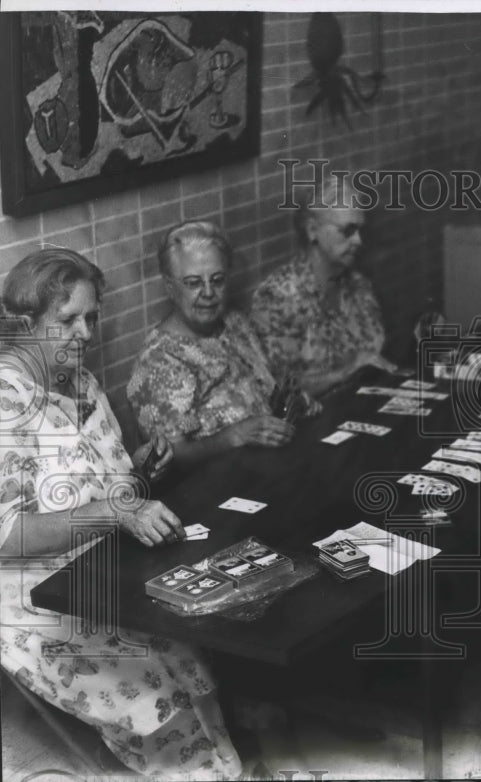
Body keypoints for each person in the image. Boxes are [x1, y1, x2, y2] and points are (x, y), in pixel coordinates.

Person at [0, 249, 242, 778]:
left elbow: (101, 485)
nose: (85, 333)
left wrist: (138, 471)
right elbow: (6, 535)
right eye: (68, 320)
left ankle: (220, 769)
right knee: (156, 692)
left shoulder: (81, 383)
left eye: (92, 317)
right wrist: (112, 510)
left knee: (194, 663)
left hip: (104, 572)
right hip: (35, 597)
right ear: (23, 325)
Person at [128, 221, 312, 468]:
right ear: (170, 287)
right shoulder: (159, 360)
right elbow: (169, 458)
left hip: (273, 464)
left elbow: (268, 390)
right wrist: (234, 436)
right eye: (193, 283)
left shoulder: (235, 322)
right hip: (218, 482)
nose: (208, 292)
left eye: (217, 280)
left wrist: (295, 405)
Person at [250, 176, 395, 397]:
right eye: (347, 230)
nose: (358, 241)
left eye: (360, 230)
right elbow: (275, 389)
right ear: (312, 230)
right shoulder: (278, 297)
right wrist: (346, 372)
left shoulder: (359, 285)